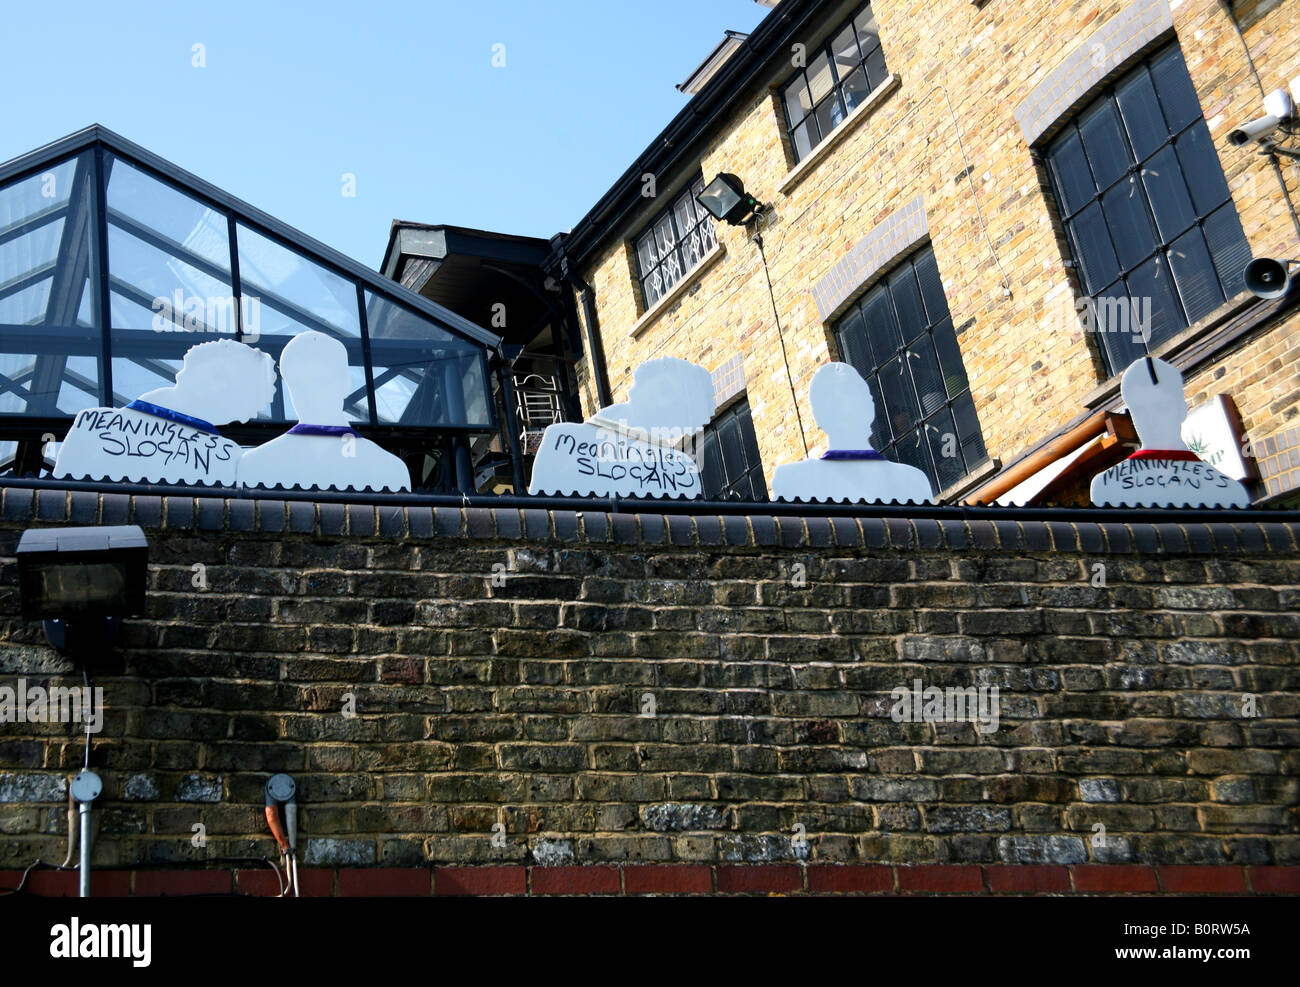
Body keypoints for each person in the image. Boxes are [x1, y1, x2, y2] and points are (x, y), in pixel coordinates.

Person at [53, 338, 275, 485]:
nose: (219, 390)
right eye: (219, 375)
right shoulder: (97, 425)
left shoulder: (226, 456)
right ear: (190, 368)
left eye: (234, 391)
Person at [238, 331, 410, 492]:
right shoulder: (256, 463)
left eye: (319, 381)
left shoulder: (388, 468)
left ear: (345, 383)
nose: (309, 393)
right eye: (298, 384)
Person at [1090, 357, 1249, 508]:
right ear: (1132, 417)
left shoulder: (1107, 487)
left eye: (1161, 407)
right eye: (1141, 410)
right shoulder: (1229, 492)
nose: (1151, 419)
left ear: (1182, 409)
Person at [771, 362, 933, 504]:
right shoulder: (793, 481)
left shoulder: (912, 481)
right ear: (820, 414)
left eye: (857, 394)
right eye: (837, 400)